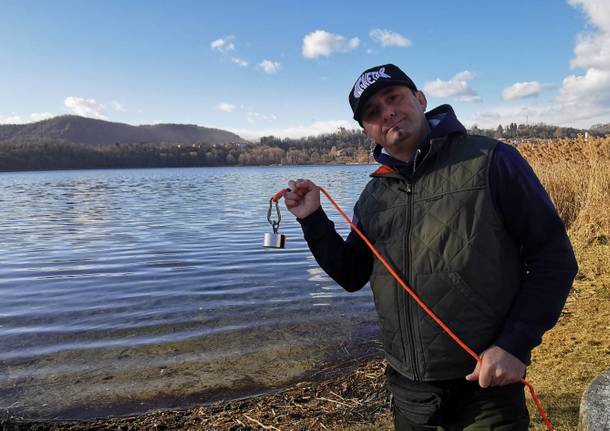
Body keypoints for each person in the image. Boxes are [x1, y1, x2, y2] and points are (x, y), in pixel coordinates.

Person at [283, 64, 578, 430]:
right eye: (373, 112)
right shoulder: (373, 196)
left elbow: (554, 260)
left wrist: (516, 344)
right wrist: (312, 220)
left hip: (485, 381)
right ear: (367, 131)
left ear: (420, 99)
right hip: (409, 390)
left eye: (394, 98)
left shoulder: (492, 160)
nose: (387, 112)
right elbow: (350, 274)